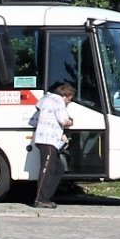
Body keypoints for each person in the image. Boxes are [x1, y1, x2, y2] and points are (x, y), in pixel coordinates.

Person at [29, 79, 77, 209]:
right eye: (70, 99)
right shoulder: (59, 101)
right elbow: (63, 120)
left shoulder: (46, 98)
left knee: (58, 169)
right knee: (47, 170)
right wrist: (71, 122)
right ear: (66, 96)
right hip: (48, 140)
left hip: (44, 138)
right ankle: (40, 199)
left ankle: (46, 197)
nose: (69, 103)